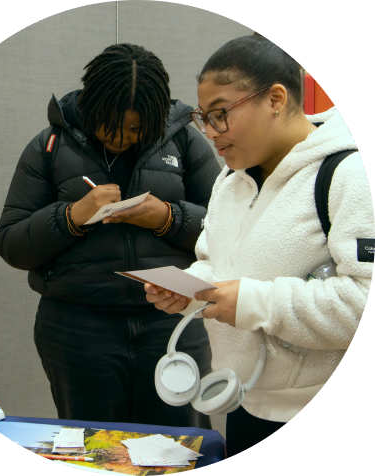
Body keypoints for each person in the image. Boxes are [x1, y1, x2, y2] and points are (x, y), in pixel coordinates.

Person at [145, 35, 375, 456]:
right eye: (204, 118)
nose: (211, 133)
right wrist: (189, 287)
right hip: (244, 399)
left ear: (275, 99)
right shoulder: (229, 182)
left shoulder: (349, 174)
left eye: (221, 115)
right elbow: (216, 264)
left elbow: (364, 306)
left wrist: (256, 302)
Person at [0, 43, 221, 427]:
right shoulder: (49, 146)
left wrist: (166, 217)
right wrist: (73, 215)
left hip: (172, 324)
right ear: (91, 105)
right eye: (108, 124)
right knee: (94, 451)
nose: (121, 138)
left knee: (181, 448)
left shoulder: (183, 142)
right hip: (77, 330)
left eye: (135, 128)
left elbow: (228, 231)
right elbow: (11, 244)